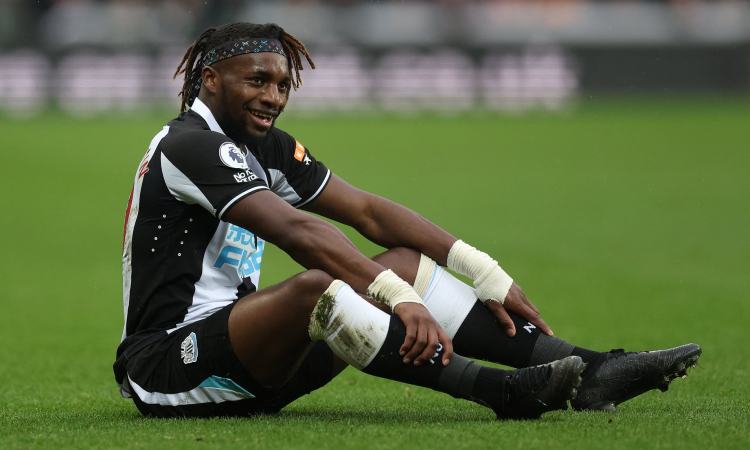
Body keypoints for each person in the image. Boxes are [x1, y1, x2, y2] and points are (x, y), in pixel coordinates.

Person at [115, 22, 701, 419]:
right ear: (210, 81)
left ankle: (595, 370)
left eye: (283, 84)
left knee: (402, 262)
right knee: (319, 287)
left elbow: (368, 212)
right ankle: (499, 391)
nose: (273, 96)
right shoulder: (189, 145)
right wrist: (397, 297)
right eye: (258, 80)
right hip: (168, 367)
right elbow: (298, 233)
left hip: (255, 359)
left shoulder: (261, 144)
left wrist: (481, 269)